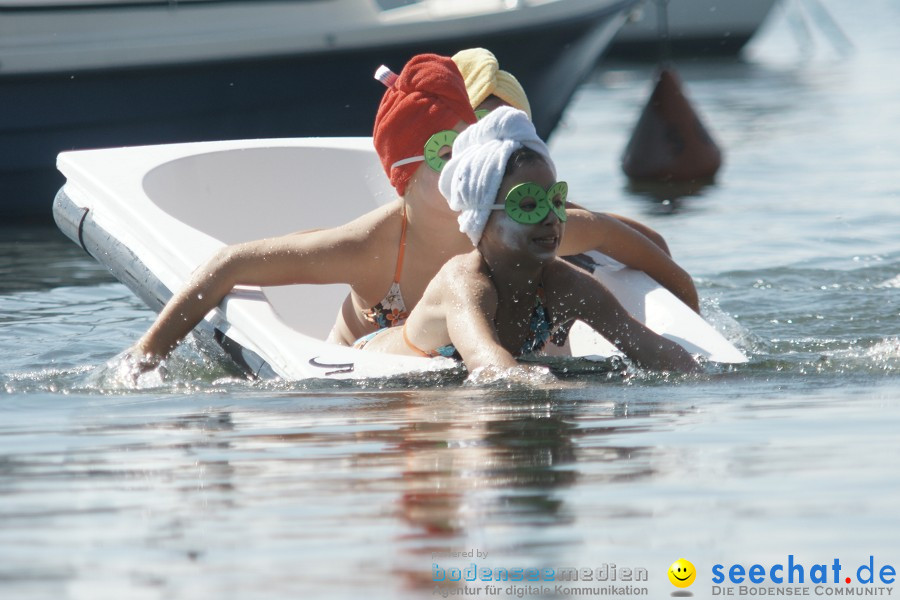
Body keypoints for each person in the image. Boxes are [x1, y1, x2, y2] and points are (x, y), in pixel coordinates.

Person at [129, 52, 694, 370]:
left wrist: (691, 323)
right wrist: (147, 354)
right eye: (447, 154)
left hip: (486, 364)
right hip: (366, 369)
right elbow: (231, 262)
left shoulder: (538, 223)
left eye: (476, 149)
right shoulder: (371, 246)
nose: (466, 165)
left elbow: (651, 255)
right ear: (404, 174)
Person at [355, 106, 699, 374]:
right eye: (529, 204)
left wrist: (720, 382)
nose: (551, 217)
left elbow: (647, 346)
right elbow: (484, 360)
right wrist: (537, 382)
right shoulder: (464, 282)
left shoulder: (564, 283)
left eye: (556, 201)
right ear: (482, 218)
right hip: (373, 367)